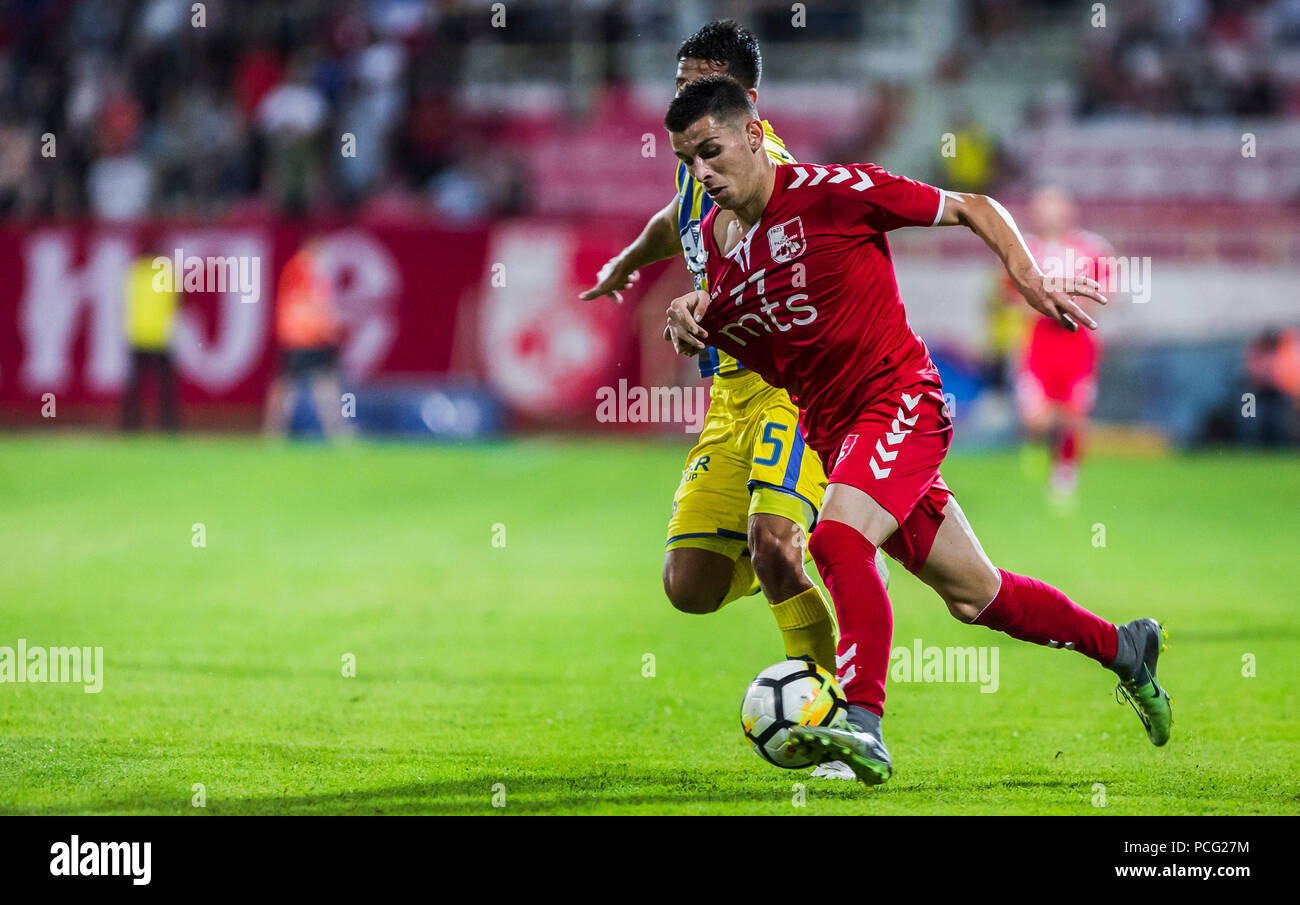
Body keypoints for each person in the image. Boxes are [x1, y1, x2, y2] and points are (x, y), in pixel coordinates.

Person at [663, 76, 1172, 786]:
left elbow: (971, 205)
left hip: (901, 400)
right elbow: (763, 349)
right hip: (842, 435)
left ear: (753, 134)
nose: (702, 173)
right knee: (977, 596)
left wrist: (1025, 275)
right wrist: (694, 323)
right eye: (688, 160)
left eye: (712, 151)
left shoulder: (833, 191)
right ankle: (1124, 647)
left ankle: (861, 723)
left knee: (837, 538)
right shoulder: (723, 257)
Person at [580, 23, 890, 722]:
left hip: (789, 387)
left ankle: (832, 714)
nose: (686, 94)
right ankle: (774, 551)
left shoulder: (764, 162)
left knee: (775, 544)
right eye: (681, 80)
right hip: (728, 397)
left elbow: (779, 262)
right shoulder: (702, 151)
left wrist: (703, 306)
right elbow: (675, 220)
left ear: (746, 100)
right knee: (688, 584)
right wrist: (626, 265)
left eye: (701, 82)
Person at [1005, 186, 1113, 503]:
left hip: (1077, 340)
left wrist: (1076, 302)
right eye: (1042, 207)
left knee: (1074, 414)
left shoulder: (1091, 248)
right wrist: (1041, 303)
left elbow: (1109, 292)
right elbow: (1009, 295)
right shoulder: (1024, 249)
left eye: (1054, 206)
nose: (1048, 213)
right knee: (1036, 417)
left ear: (1068, 210)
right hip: (1039, 339)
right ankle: (1038, 444)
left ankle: (1065, 476)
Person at [264, 238, 349, 438]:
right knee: (309, 387)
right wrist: (330, 327)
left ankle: (274, 432)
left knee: (311, 386)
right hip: (307, 338)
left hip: (302, 338)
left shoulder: (298, 270)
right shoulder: (306, 269)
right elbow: (315, 303)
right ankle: (337, 431)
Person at [121, 253, 181, 432]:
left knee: (135, 388)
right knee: (165, 389)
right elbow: (178, 303)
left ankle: (130, 426)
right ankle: (169, 426)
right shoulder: (167, 274)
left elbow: (126, 302)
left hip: (138, 336)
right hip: (160, 337)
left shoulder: (135, 272)